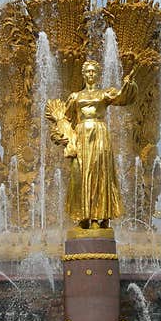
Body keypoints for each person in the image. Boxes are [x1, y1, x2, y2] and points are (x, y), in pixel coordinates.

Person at [56, 60, 138, 230]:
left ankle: (98, 216)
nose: (91, 74)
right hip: (80, 136)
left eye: (94, 71)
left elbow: (123, 98)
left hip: (99, 134)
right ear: (83, 74)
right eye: (88, 71)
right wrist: (60, 136)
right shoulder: (75, 96)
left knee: (100, 172)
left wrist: (128, 84)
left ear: (98, 74)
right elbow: (65, 118)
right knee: (80, 175)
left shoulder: (104, 94)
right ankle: (83, 216)